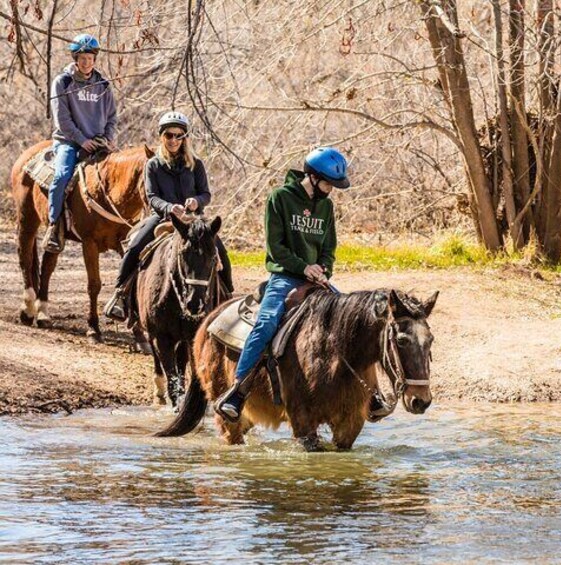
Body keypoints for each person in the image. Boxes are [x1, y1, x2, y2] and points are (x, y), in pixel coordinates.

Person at [214, 147, 351, 422]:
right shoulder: (280, 198)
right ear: (312, 177)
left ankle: (368, 396)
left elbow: (328, 248)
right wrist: (303, 267)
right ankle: (238, 391)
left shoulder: (326, 206)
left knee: (351, 319)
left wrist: (323, 269)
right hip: (284, 276)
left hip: (317, 278)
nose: (331, 190)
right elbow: (276, 249)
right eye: (328, 183)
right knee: (266, 323)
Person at [103, 111, 233, 321]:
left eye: (178, 135)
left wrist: (196, 202)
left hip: (193, 220)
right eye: (169, 135)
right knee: (136, 247)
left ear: (185, 138)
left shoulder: (196, 164)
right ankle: (120, 294)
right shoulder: (153, 164)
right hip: (163, 218)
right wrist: (169, 208)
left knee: (220, 253)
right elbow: (152, 196)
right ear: (162, 137)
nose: (173, 140)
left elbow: (205, 194)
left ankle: (227, 298)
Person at [44, 33, 117, 254]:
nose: (87, 62)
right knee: (61, 176)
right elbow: (62, 120)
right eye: (82, 58)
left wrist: (108, 137)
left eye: (90, 58)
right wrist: (81, 140)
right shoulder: (63, 82)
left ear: (95, 59)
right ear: (76, 59)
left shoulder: (103, 84)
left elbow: (112, 116)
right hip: (70, 141)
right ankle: (54, 226)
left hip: (98, 141)